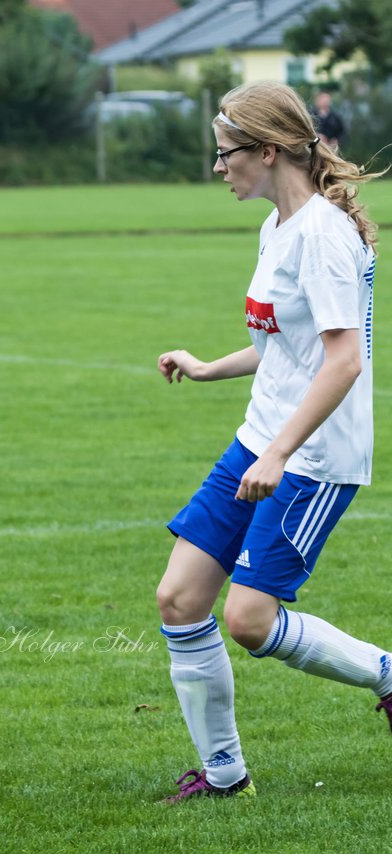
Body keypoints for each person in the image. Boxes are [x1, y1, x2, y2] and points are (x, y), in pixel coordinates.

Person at [155, 81, 391, 803]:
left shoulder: (322, 234)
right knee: (179, 599)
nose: (217, 167)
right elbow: (284, 347)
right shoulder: (277, 228)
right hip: (263, 440)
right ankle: (225, 779)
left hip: (314, 458)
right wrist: (208, 367)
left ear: (267, 150)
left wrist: (281, 451)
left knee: (249, 620)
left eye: (225, 154)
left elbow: (343, 360)